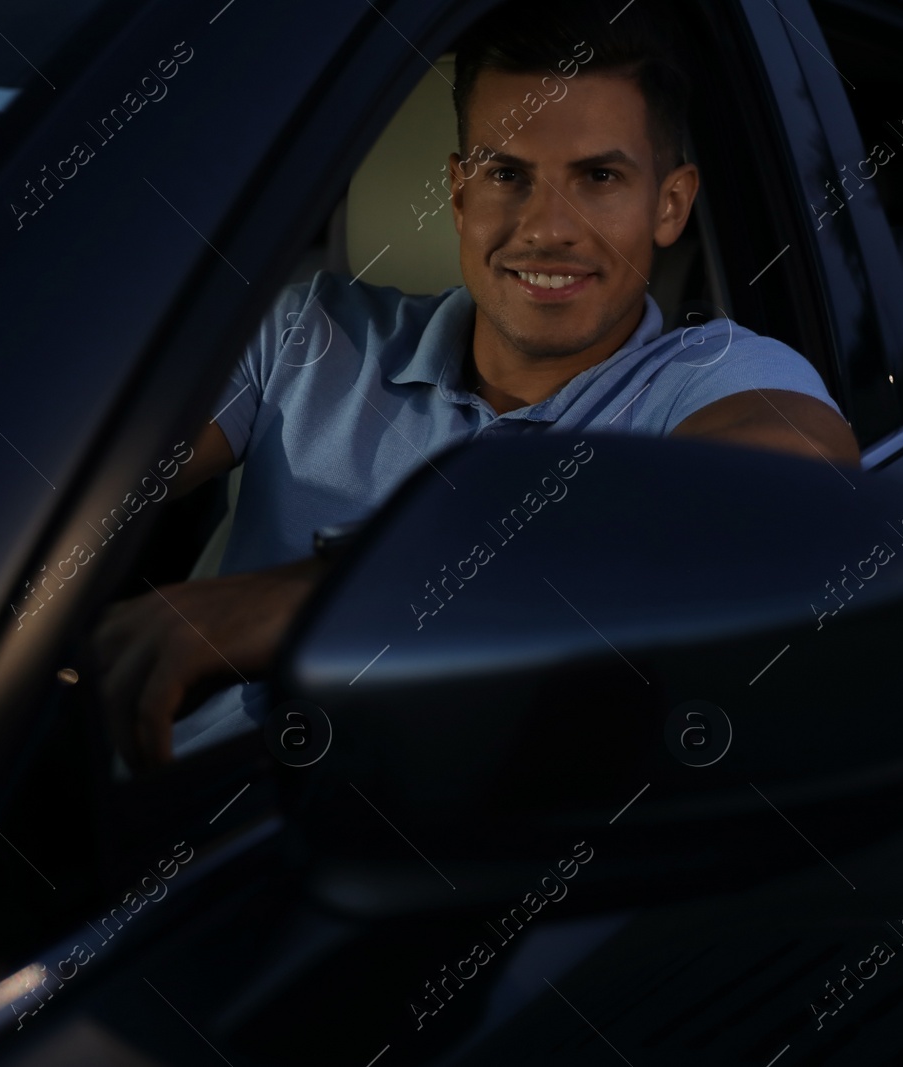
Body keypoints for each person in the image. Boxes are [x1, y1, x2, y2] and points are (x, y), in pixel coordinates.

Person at [93, 0, 859, 767]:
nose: (546, 227)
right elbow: (73, 469)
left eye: (597, 177)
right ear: (458, 194)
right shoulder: (308, 332)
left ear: (669, 204)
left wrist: (335, 591)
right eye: (506, 174)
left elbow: (789, 496)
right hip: (179, 818)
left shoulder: (712, 374)